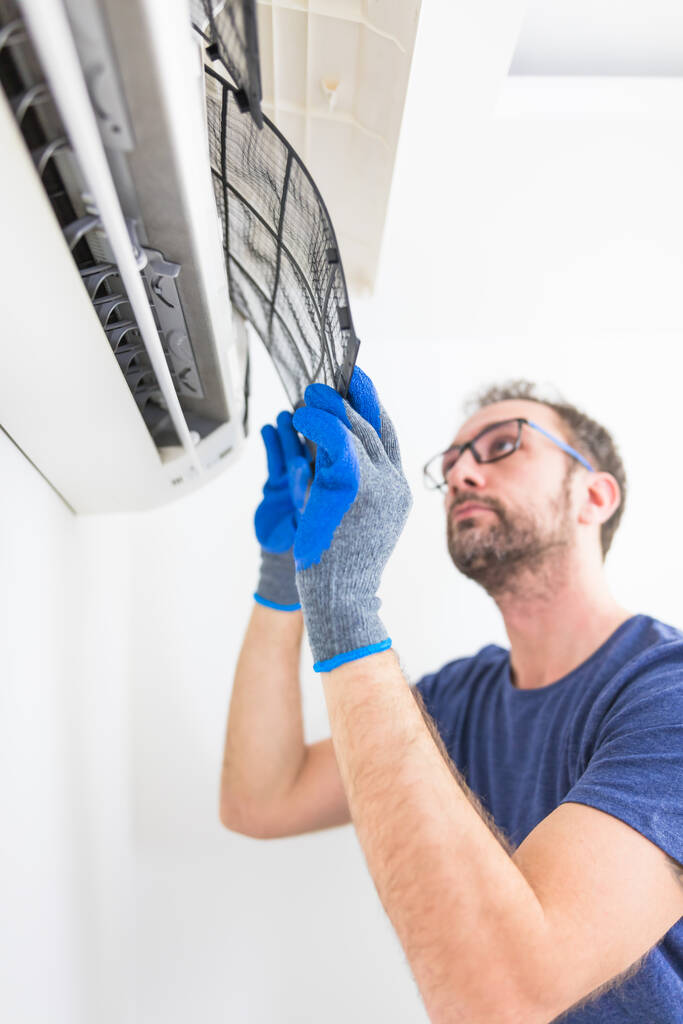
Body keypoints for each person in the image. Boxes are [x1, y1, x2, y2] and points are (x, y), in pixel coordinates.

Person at [220, 366, 683, 1023]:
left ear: (595, 496)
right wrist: (283, 580)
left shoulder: (667, 694)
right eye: (452, 462)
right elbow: (259, 800)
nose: (462, 473)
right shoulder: (459, 700)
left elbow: (503, 996)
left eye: (500, 446)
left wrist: (346, 606)